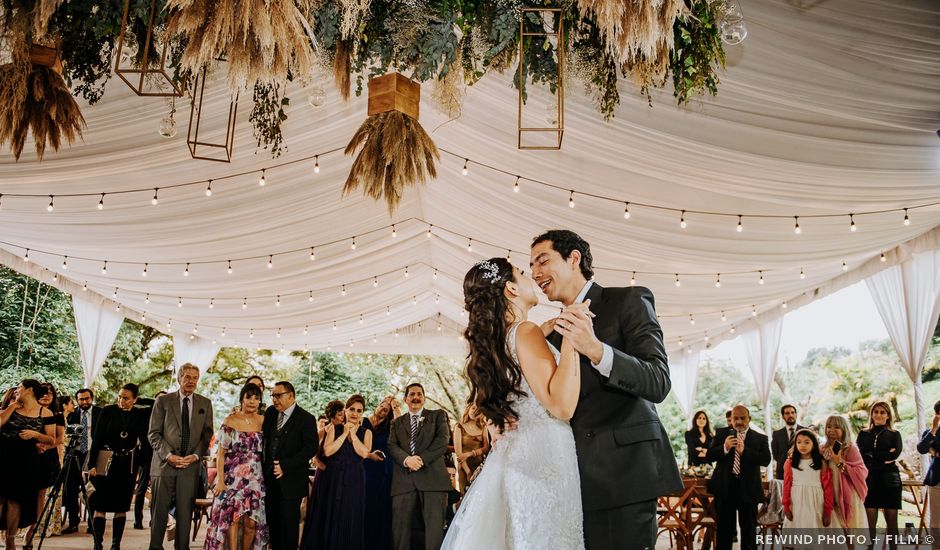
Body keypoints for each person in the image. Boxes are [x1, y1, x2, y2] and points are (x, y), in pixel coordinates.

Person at [530, 230, 682, 550]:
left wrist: (598, 351)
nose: (535, 273)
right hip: (572, 479)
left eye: (542, 261)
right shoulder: (550, 336)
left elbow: (658, 381)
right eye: (530, 267)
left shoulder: (629, 300)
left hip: (625, 474)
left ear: (574, 258)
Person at [442, 258, 583, 550]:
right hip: (546, 454)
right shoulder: (524, 331)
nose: (530, 276)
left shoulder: (498, 344)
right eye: (521, 273)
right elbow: (562, 406)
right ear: (510, 289)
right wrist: (572, 336)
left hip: (517, 454)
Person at [148, 364, 215, 550]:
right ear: (179, 378)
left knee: (185, 514)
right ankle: (154, 547)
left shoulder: (205, 403)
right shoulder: (163, 401)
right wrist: (168, 455)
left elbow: (207, 434)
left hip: (190, 467)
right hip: (164, 465)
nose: (191, 381)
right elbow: (153, 434)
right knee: (159, 513)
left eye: (195, 377)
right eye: (187, 377)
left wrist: (195, 455)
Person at [301, 394, 372, 550]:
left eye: (359, 411)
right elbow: (327, 451)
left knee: (349, 515)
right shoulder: (333, 428)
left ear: (362, 413)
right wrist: (345, 433)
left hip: (354, 479)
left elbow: (364, 453)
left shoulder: (366, 432)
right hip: (333, 478)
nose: (355, 413)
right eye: (351, 409)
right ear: (345, 410)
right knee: (329, 516)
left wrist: (352, 434)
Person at [388, 383, 452, 550]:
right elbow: (392, 446)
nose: (416, 397)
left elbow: (442, 442)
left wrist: (420, 460)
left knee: (434, 530)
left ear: (424, 398)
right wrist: (407, 460)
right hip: (403, 481)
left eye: (419, 394)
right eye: (412, 394)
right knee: (400, 530)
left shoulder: (438, 415)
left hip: (433, 480)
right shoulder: (396, 423)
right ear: (405, 399)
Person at [87, 383, 150, 550]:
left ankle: (116, 544)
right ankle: (97, 543)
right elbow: (97, 437)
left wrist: (143, 464)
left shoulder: (140, 414)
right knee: (100, 505)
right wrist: (91, 464)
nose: (121, 400)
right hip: (106, 459)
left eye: (126, 398)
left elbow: (157, 403)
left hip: (128, 463)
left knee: (121, 506)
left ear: (135, 399)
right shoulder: (108, 411)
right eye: (120, 396)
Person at [205, 383, 268, 550]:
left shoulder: (263, 421)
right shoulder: (230, 420)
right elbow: (221, 454)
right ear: (241, 399)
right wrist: (220, 481)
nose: (252, 402)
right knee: (232, 519)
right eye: (248, 397)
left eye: (256, 398)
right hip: (233, 477)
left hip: (256, 479)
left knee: (251, 523)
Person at [0, 379, 56, 550]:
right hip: (3, 454)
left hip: (25, 459)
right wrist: (12, 406)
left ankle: (11, 539)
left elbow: (52, 439)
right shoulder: (12, 407)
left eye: (19, 388)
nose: (16, 390)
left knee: (15, 500)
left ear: (29, 389)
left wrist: (34, 435)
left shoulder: (45, 413)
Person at [706, 404, 771, 550]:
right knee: (724, 531)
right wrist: (725, 447)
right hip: (725, 488)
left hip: (748, 489)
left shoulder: (760, 438)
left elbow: (766, 460)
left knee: (749, 531)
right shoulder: (722, 434)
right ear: (731, 419)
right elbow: (709, 455)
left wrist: (745, 451)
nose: (739, 421)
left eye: (742, 418)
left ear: (750, 419)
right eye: (735, 418)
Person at [262, 381, 318, 550]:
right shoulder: (271, 413)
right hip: (270, 481)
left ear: (291, 396)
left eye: (278, 396)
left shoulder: (306, 418)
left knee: (288, 528)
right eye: (273, 396)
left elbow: (311, 448)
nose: (274, 400)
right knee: (273, 525)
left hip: (291, 483)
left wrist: (285, 465)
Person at [23, 383, 65, 549]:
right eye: (43, 393)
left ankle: (31, 531)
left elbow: (59, 439)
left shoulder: (57, 414)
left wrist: (44, 448)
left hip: (46, 457)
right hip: (26, 455)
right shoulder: (26, 411)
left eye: (50, 393)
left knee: (41, 494)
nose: (46, 396)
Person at [856, 401, 902, 550]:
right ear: (872, 414)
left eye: (882, 412)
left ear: (888, 415)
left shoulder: (895, 434)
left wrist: (873, 456)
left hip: (890, 480)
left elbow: (895, 454)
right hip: (869, 480)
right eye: (876, 412)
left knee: (892, 522)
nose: (879, 415)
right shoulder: (863, 434)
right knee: (869, 523)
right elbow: (861, 455)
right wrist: (884, 455)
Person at [821, 415, 868, 549]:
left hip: (848, 495)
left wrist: (839, 462)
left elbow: (861, 471)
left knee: (849, 532)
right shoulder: (822, 448)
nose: (831, 430)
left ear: (844, 429)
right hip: (829, 495)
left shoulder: (850, 448)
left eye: (836, 427)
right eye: (829, 427)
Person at [63, 388, 102, 535]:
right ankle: (73, 522)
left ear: (91, 398)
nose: (84, 402)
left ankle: (92, 523)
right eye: (81, 399)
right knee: (70, 487)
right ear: (77, 400)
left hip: (94, 453)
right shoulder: (72, 415)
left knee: (93, 488)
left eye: (87, 399)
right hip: (76, 453)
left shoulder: (100, 413)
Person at [363, 396, 398, 550]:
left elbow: (401, 425)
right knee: (364, 506)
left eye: (387, 410)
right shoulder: (363, 421)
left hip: (383, 470)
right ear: (376, 406)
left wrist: (395, 406)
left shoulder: (390, 426)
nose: (384, 409)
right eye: (382, 406)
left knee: (381, 509)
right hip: (364, 467)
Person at [782, 430, 833, 537]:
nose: (802, 445)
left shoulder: (821, 463)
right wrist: (786, 506)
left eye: (806, 442)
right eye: (799, 442)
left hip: (816, 502)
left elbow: (827, 487)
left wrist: (828, 510)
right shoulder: (790, 463)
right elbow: (786, 485)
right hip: (796, 503)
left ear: (814, 445)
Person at [134, 390, 165, 530]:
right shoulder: (145, 412)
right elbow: (137, 401)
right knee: (141, 489)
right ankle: (137, 520)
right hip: (145, 456)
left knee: (158, 491)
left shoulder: (169, 414)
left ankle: (155, 520)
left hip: (161, 457)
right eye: (159, 399)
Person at [917, 399, 940, 550]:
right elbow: (922, 448)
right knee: (936, 523)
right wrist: (933, 429)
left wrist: (936, 451)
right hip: (937, 480)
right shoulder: (931, 432)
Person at [452, 403, 490, 494]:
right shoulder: (459, 427)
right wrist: (468, 472)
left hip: (480, 465)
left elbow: (486, 447)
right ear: (468, 409)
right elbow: (459, 455)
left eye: (479, 411)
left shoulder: (483, 426)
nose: (474, 412)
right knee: (466, 494)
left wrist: (471, 453)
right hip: (465, 466)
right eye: (473, 408)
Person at [772, 404, 807, 480]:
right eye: (787, 413)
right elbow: (775, 455)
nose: (790, 415)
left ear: (796, 414)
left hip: (802, 470)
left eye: (792, 412)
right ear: (783, 416)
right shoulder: (776, 434)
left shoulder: (806, 431)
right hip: (782, 472)